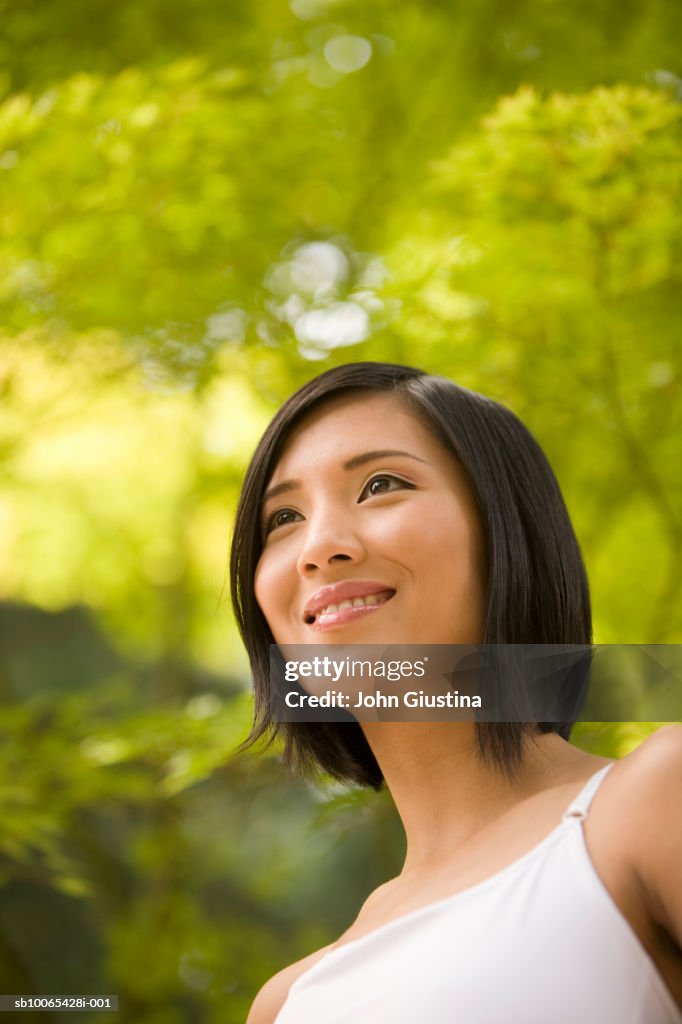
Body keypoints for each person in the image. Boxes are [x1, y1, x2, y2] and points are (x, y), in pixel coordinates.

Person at [230, 362, 682, 1023]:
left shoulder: (653, 805)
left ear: (509, 532)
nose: (318, 548)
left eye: (380, 485)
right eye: (284, 518)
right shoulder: (286, 1002)